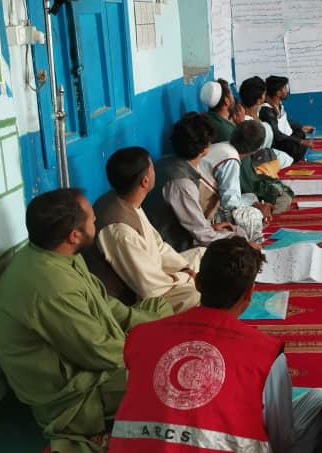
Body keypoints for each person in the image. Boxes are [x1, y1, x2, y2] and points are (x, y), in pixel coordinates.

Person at [102, 237, 322, 453]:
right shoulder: (265, 354)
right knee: (319, 401)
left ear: (197, 282)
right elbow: (281, 442)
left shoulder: (141, 338)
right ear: (249, 294)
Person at [0, 188, 172, 453]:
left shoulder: (62, 255)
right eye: (91, 218)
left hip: (94, 347)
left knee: (162, 308)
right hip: (75, 391)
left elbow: (105, 304)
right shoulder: (50, 287)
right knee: (168, 378)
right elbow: (97, 351)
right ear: (74, 235)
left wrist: (150, 324)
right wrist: (151, 347)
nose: (96, 220)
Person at [93, 147, 205, 313]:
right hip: (136, 298)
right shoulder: (118, 229)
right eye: (152, 168)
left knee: (204, 253)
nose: (155, 171)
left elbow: (158, 246)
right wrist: (186, 278)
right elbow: (149, 287)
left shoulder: (127, 200)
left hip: (155, 272)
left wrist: (183, 268)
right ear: (145, 181)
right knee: (194, 293)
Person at [143, 112, 247, 252]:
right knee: (240, 237)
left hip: (168, 236)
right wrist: (239, 239)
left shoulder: (164, 161)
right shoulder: (181, 183)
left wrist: (210, 228)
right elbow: (204, 237)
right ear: (206, 149)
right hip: (169, 248)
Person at [199, 120, 273, 243]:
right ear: (255, 150)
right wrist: (258, 210)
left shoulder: (223, 146)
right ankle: (256, 245)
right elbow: (230, 205)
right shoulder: (231, 158)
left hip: (201, 200)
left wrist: (254, 203)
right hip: (202, 213)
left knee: (251, 197)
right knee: (252, 217)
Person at [240, 76, 294, 170]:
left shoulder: (255, 112)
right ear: (259, 100)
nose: (266, 97)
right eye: (265, 94)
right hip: (251, 158)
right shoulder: (245, 120)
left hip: (261, 153)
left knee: (286, 158)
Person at [259, 75, 314, 162]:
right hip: (277, 143)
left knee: (300, 133)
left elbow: (284, 120)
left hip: (285, 138)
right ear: (278, 93)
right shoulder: (267, 110)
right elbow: (276, 135)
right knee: (298, 146)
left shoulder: (278, 104)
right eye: (284, 88)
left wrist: (301, 127)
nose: (287, 90)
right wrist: (300, 141)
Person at [200, 79, 236, 143]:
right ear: (226, 101)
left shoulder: (203, 118)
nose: (234, 97)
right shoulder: (230, 131)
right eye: (232, 94)